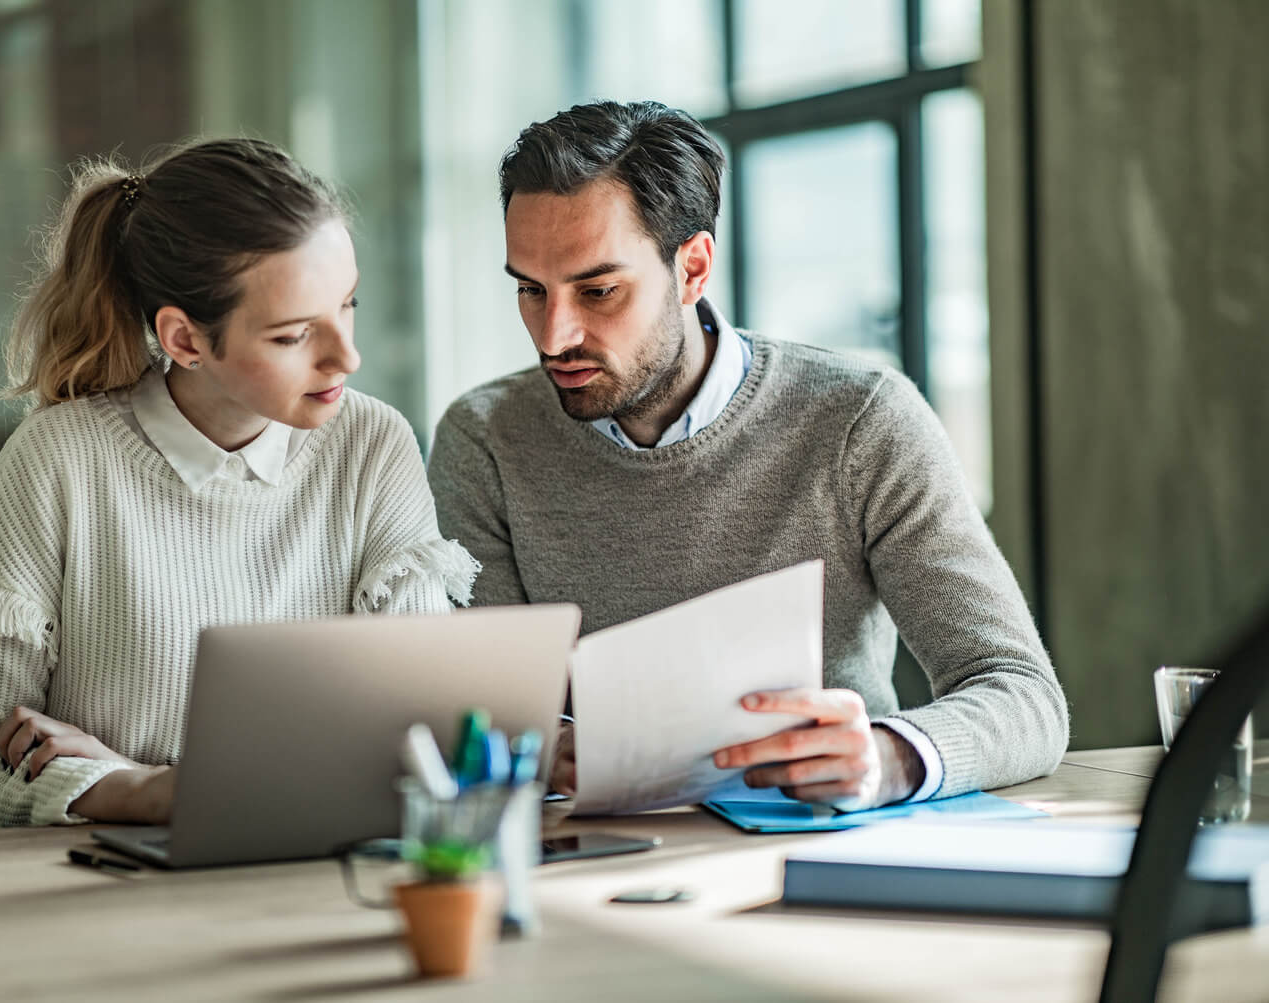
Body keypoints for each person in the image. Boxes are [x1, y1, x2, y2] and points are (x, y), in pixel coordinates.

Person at [427, 101, 1068, 811]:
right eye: (530, 289)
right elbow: (484, 713)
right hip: (588, 858)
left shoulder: (859, 419)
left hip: (820, 844)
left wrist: (890, 757)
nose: (554, 335)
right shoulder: (484, 439)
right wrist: (536, 741)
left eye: (598, 290)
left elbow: (1024, 695)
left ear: (693, 267)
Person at [0, 138, 479, 828]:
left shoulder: (374, 446)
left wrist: (144, 779)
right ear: (185, 340)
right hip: (107, 899)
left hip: (320, 877)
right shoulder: (57, 461)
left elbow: (418, 734)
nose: (348, 354)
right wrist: (139, 797)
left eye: (348, 305)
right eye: (292, 336)